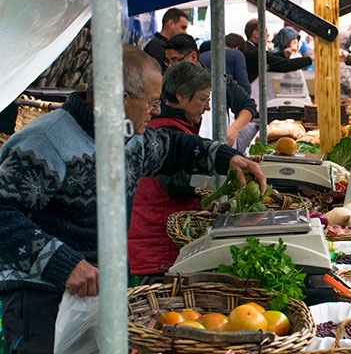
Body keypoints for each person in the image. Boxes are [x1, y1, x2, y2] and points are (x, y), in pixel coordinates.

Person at [0, 45, 265, 353]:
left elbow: (170, 146)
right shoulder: (44, 142)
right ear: (120, 98)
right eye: (152, 102)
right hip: (40, 297)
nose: (156, 111)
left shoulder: (127, 137)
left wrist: (224, 157)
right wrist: (62, 263)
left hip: (97, 291)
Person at [128, 62, 212, 277]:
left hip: (159, 244)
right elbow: (177, 183)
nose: (208, 107)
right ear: (182, 96)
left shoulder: (164, 127)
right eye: (203, 99)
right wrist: (216, 182)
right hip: (159, 247)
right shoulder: (166, 132)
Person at [164, 34, 258, 152]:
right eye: (167, 62)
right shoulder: (166, 86)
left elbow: (248, 106)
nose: (170, 67)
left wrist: (233, 130)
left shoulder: (220, 82)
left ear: (193, 57)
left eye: (176, 60)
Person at [244, 20, 311, 82]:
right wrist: (310, 59)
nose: (268, 35)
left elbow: (270, 58)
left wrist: (283, 54)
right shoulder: (255, 53)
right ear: (256, 34)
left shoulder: (250, 49)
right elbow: (284, 64)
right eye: (266, 31)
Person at [143, 8, 189, 72]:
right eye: (183, 27)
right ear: (171, 23)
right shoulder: (156, 46)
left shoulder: (160, 44)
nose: (185, 32)